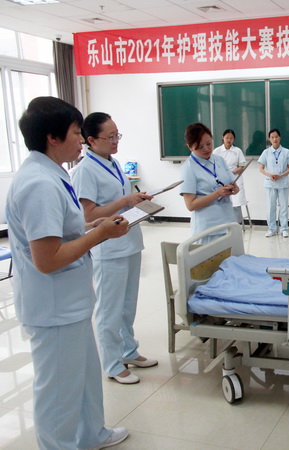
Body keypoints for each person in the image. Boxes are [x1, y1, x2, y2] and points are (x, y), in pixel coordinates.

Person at [6, 96, 130, 448]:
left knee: (85, 377)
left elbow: (64, 230)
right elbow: (47, 259)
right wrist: (100, 235)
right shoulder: (39, 184)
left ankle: (91, 434)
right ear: (52, 137)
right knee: (59, 391)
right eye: (76, 132)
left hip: (70, 303)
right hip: (54, 307)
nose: (81, 140)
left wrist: (94, 224)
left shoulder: (53, 173)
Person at [71, 112, 158, 385]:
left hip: (129, 240)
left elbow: (119, 200)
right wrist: (125, 200)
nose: (115, 141)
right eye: (110, 137)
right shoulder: (85, 170)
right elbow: (88, 214)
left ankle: (128, 351)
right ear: (91, 140)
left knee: (127, 306)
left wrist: (135, 200)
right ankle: (111, 363)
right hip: (108, 248)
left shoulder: (114, 162)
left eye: (117, 135)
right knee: (109, 309)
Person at [180, 123, 239, 243]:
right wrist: (218, 193)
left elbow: (235, 186)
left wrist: (233, 189)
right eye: (200, 146)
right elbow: (191, 205)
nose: (206, 149)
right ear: (190, 147)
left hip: (228, 224)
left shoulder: (219, 160)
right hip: (207, 230)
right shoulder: (188, 168)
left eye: (208, 143)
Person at [258, 128, 289, 238]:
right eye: (272, 137)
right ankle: (271, 229)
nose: (274, 139)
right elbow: (261, 168)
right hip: (270, 183)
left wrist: (281, 175)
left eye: (276, 137)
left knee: (283, 207)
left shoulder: (286, 152)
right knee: (271, 207)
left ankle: (284, 229)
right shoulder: (266, 152)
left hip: (283, 183)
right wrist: (269, 175)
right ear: (269, 139)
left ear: (280, 137)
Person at [213, 129, 248, 225]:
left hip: (235, 178)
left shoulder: (237, 151)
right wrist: (224, 174)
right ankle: (223, 224)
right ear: (223, 138)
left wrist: (232, 172)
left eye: (231, 138)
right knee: (222, 202)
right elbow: (213, 166)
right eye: (227, 138)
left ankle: (237, 224)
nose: (229, 140)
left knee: (236, 203)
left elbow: (242, 165)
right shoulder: (217, 151)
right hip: (221, 180)